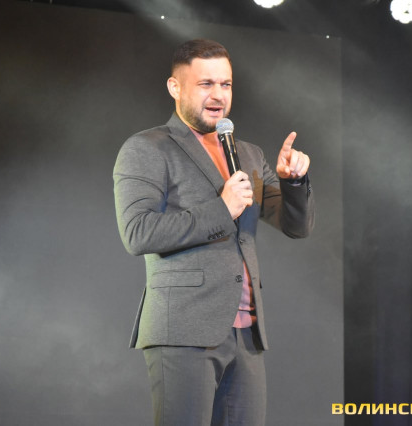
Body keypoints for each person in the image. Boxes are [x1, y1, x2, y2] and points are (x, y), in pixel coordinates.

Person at [113, 38, 315, 426]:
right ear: (175, 87)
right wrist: (221, 209)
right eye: (206, 84)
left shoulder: (249, 154)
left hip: (247, 334)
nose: (218, 95)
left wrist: (293, 182)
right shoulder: (148, 148)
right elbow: (138, 232)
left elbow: (296, 226)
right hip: (183, 330)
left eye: (226, 84)